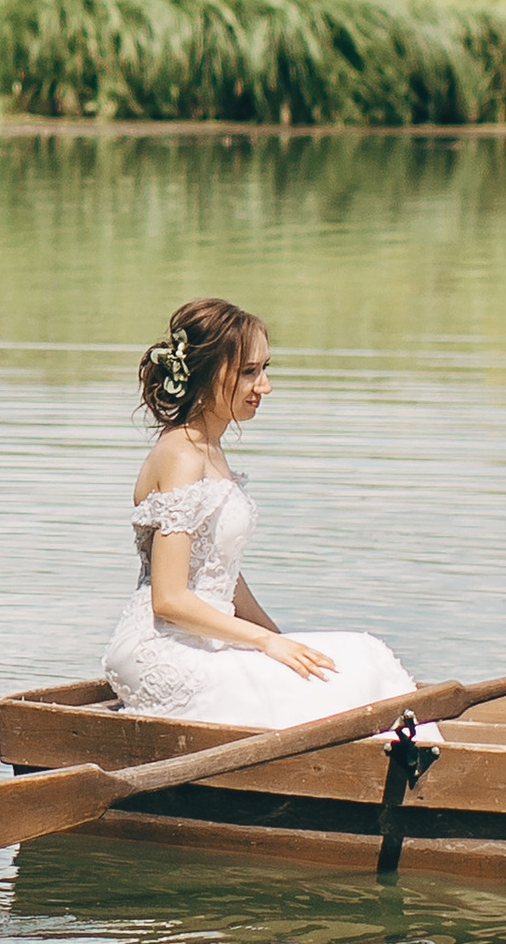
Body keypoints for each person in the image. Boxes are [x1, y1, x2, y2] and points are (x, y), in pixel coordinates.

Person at [102, 295, 421, 726]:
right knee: (343, 679)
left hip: (212, 637)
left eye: (265, 369)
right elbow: (170, 599)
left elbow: (221, 575)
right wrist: (266, 645)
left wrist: (280, 638)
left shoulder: (209, 450)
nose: (264, 386)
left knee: (363, 654)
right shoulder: (181, 455)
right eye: (250, 372)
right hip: (164, 649)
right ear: (211, 372)